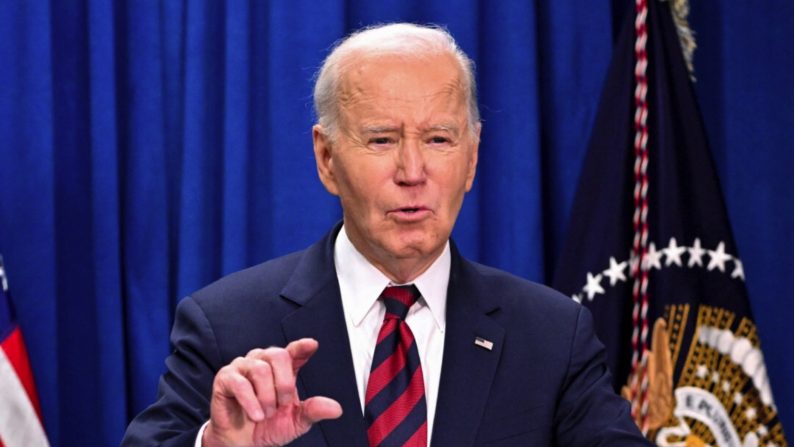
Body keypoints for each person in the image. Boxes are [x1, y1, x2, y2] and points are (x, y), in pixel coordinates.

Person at [122, 23, 651, 447]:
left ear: (471, 158)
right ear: (326, 159)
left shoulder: (553, 334)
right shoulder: (226, 324)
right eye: (381, 139)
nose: (412, 170)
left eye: (439, 138)